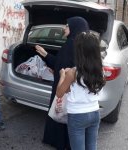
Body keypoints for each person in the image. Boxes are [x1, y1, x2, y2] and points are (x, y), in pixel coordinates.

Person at [35, 16, 90, 150]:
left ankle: (60, 142)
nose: (64, 28)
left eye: (67, 26)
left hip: (64, 87)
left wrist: (48, 58)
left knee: (60, 113)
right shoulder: (81, 45)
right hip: (74, 89)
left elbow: (62, 67)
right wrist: (46, 54)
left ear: (74, 28)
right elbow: (63, 64)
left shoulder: (71, 45)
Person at [56, 32, 105, 150]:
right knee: (92, 147)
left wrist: (62, 75)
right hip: (94, 112)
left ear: (79, 52)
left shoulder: (73, 73)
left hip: (77, 116)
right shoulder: (100, 70)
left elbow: (59, 93)